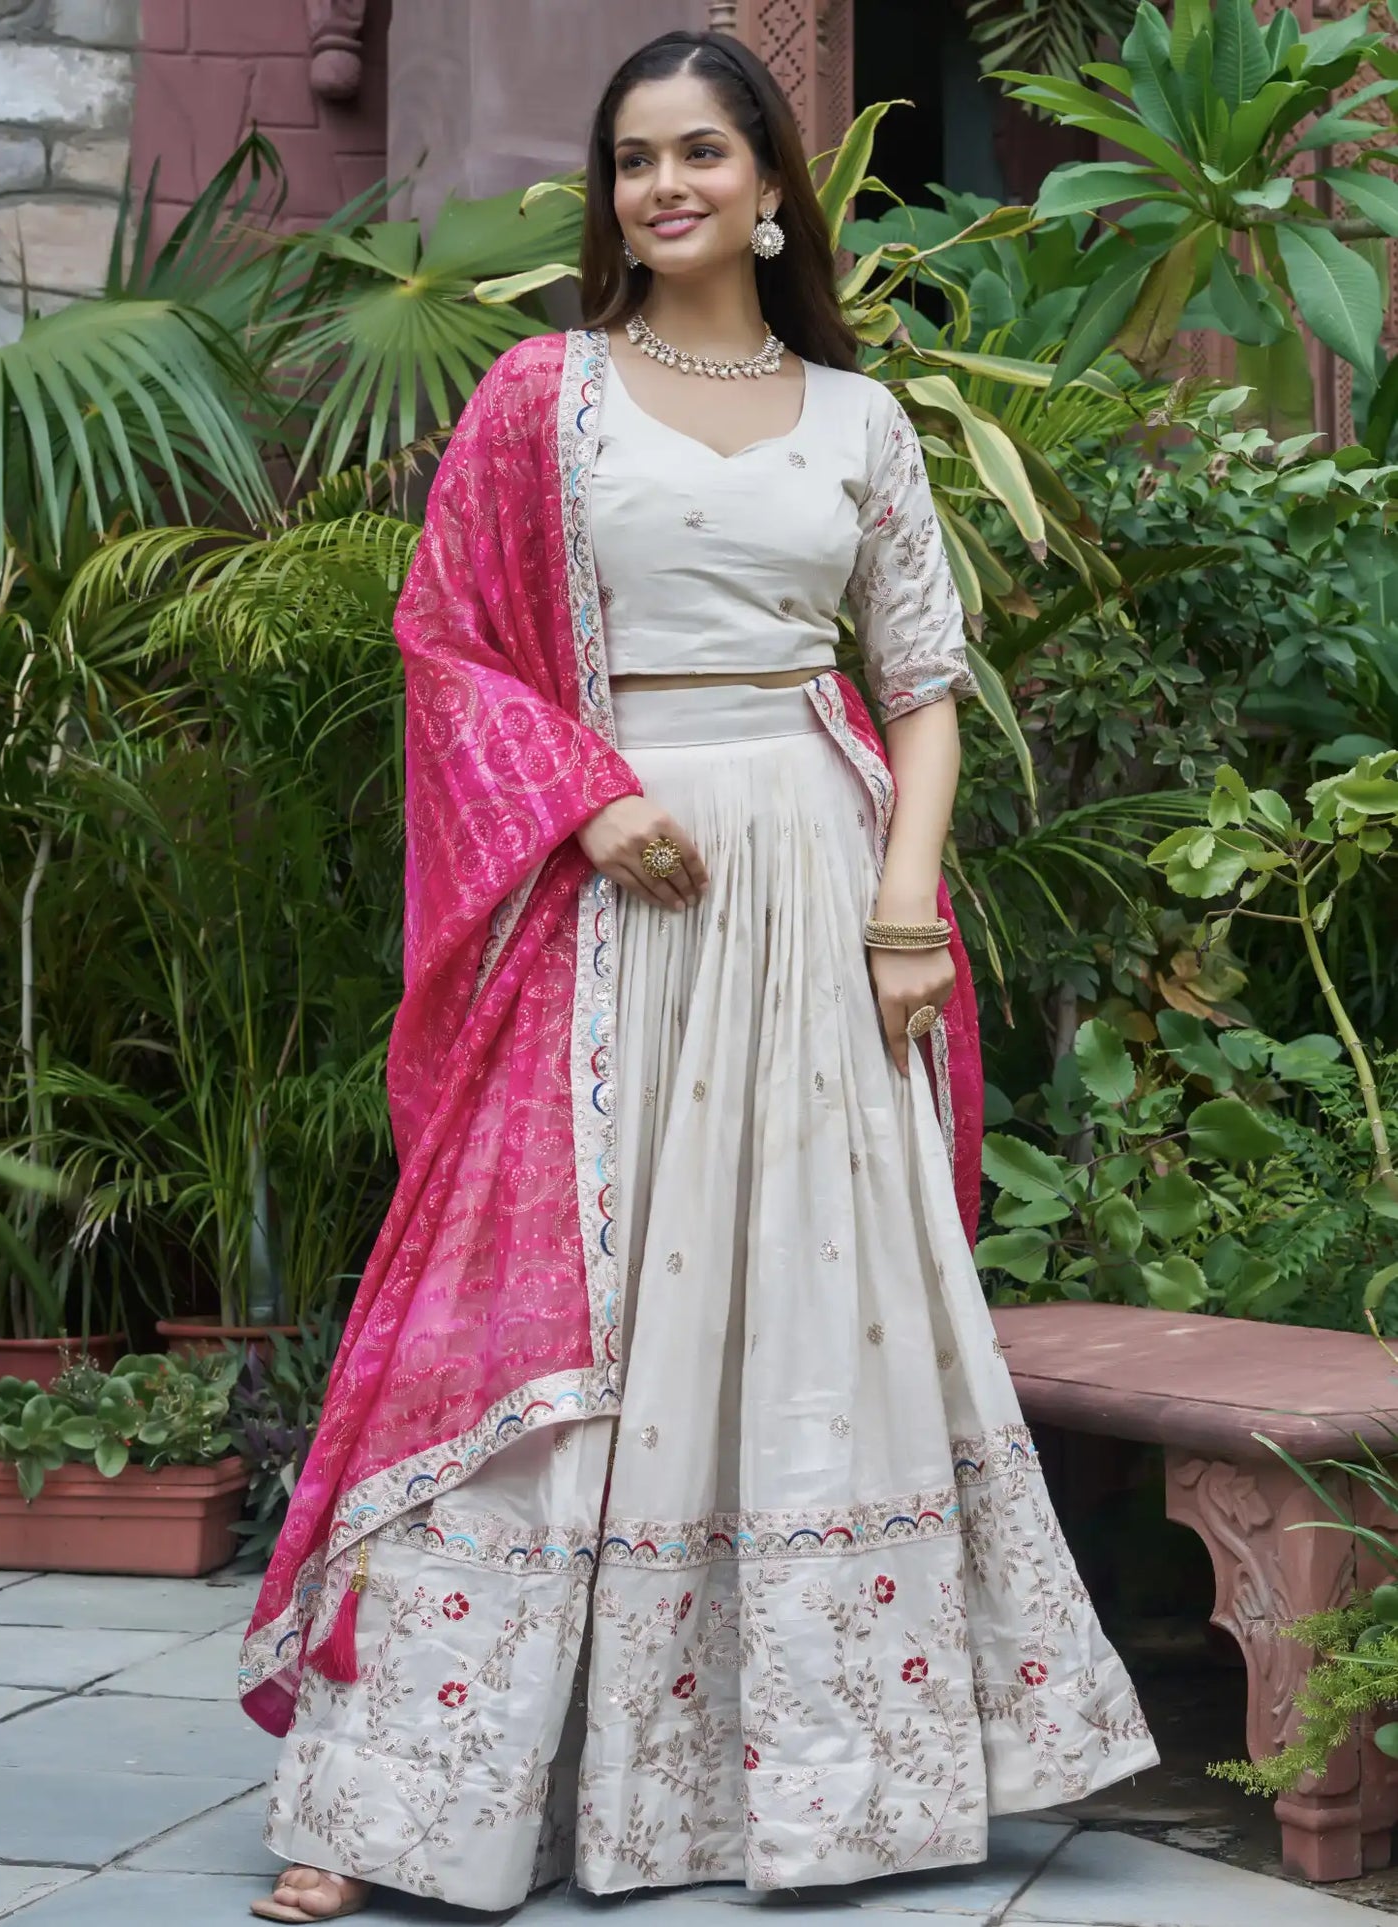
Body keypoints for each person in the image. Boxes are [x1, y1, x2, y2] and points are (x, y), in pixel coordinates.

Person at [244, 29, 1157, 1923]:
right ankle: (400, 1801)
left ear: (767, 184)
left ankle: (814, 1790)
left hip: (818, 891)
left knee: (817, 1305)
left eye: (702, 155)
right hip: (615, 902)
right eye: (635, 159)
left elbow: (917, 685)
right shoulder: (539, 394)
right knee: (540, 1317)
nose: (665, 186)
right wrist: (580, 813)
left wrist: (906, 913)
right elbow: (448, 647)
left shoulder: (860, 420)